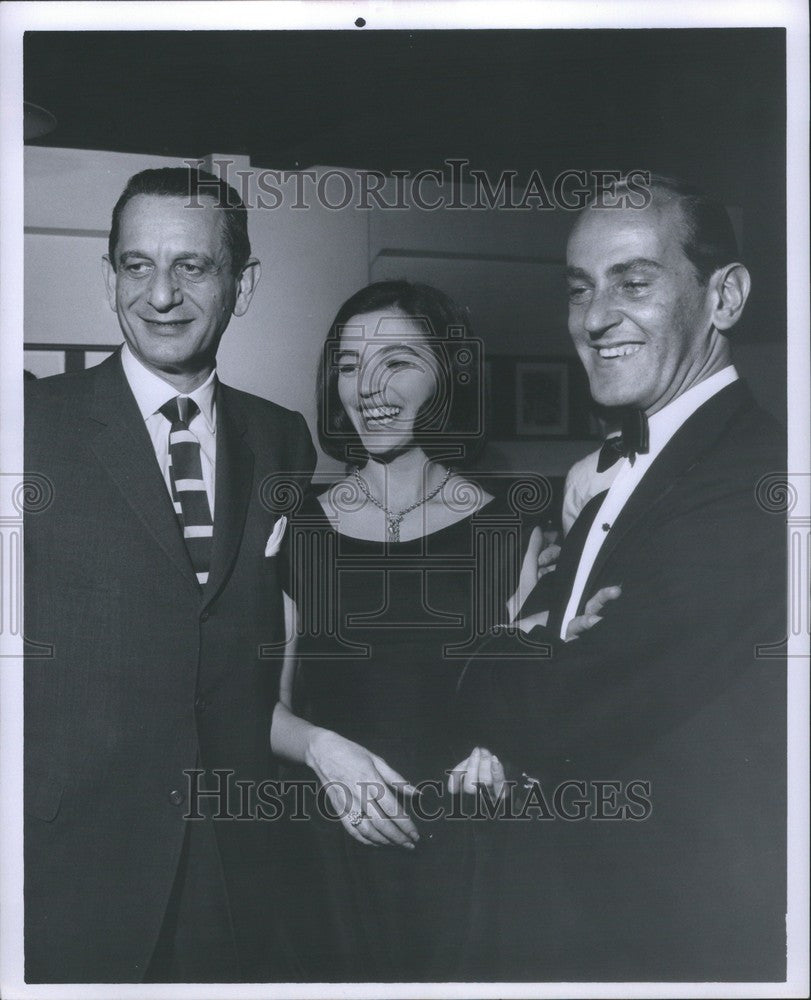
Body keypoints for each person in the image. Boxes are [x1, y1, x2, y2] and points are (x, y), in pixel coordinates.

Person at [456, 176, 786, 981]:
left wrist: (499, 648)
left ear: (725, 296)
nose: (596, 318)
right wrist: (540, 642)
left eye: (633, 283)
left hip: (660, 934)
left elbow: (558, 706)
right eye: (579, 289)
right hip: (567, 911)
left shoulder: (749, 478)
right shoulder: (624, 468)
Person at [24, 167, 316, 983]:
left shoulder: (281, 438)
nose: (160, 294)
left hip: (234, 861)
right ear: (108, 276)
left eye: (192, 266)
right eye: (136, 265)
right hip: (69, 861)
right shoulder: (29, 429)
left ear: (241, 283)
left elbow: (316, 615)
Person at [268, 280, 581, 981]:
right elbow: (259, 707)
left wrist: (501, 752)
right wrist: (325, 751)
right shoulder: (300, 530)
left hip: (472, 861)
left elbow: (532, 700)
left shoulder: (512, 524)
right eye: (349, 366)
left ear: (448, 375)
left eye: (397, 361)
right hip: (335, 862)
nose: (368, 387)